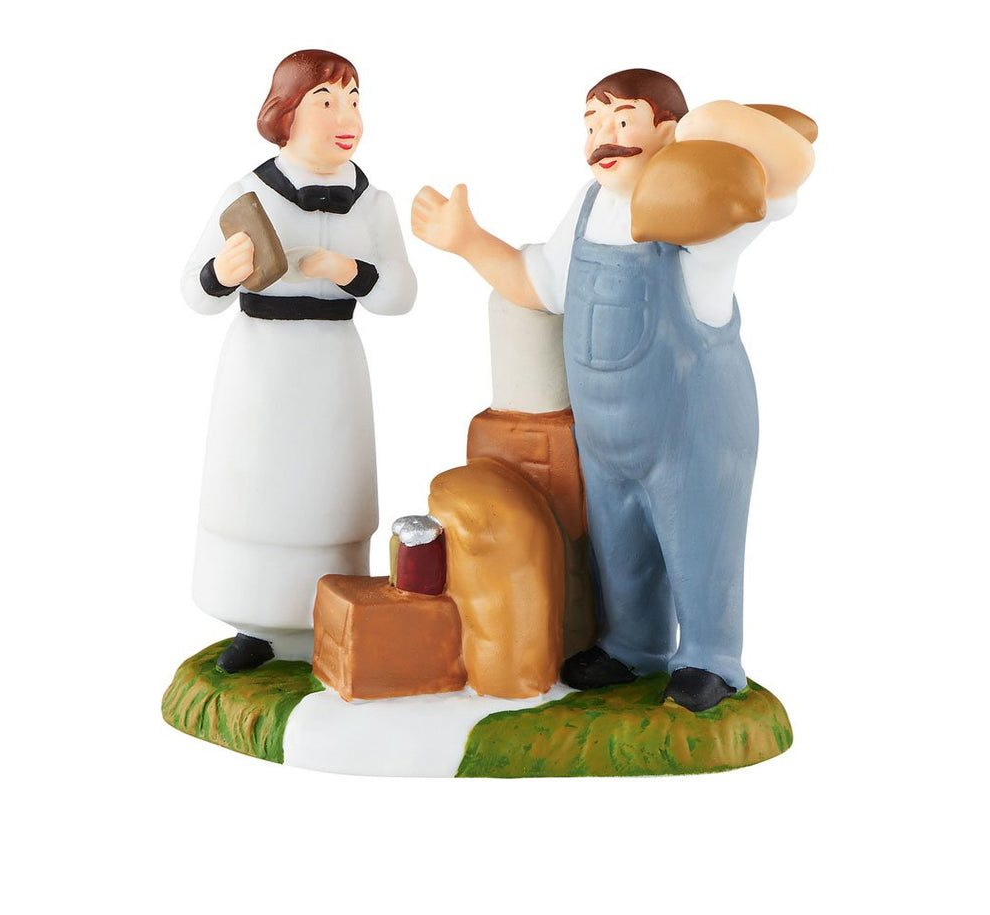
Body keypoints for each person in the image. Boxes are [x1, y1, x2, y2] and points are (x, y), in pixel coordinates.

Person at [411, 68, 814, 711]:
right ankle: (632, 644)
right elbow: (537, 284)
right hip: (603, 434)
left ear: (669, 133)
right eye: (592, 123)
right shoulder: (589, 207)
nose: (604, 137)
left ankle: (710, 656)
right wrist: (468, 242)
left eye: (622, 119)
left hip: (694, 428)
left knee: (699, 544)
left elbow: (778, 188)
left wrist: (716, 127)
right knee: (618, 549)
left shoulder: (699, 211)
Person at [182, 50, 417, 672]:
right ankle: (256, 621)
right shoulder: (248, 193)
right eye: (327, 102)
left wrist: (350, 271)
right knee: (258, 489)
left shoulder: (373, 203)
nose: (347, 117)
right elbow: (194, 293)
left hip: (334, 368)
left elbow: (401, 293)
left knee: (329, 491)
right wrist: (220, 272)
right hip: (262, 366)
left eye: (354, 101)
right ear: (285, 115)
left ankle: (330, 618)